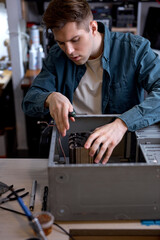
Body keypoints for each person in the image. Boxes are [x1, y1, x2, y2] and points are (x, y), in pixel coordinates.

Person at [22, 0, 160, 164]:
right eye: (61, 43)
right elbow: (30, 100)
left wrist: (123, 123)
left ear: (93, 28)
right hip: (73, 149)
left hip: (120, 148)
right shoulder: (56, 55)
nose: (69, 51)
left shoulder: (134, 49)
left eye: (75, 39)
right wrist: (50, 98)